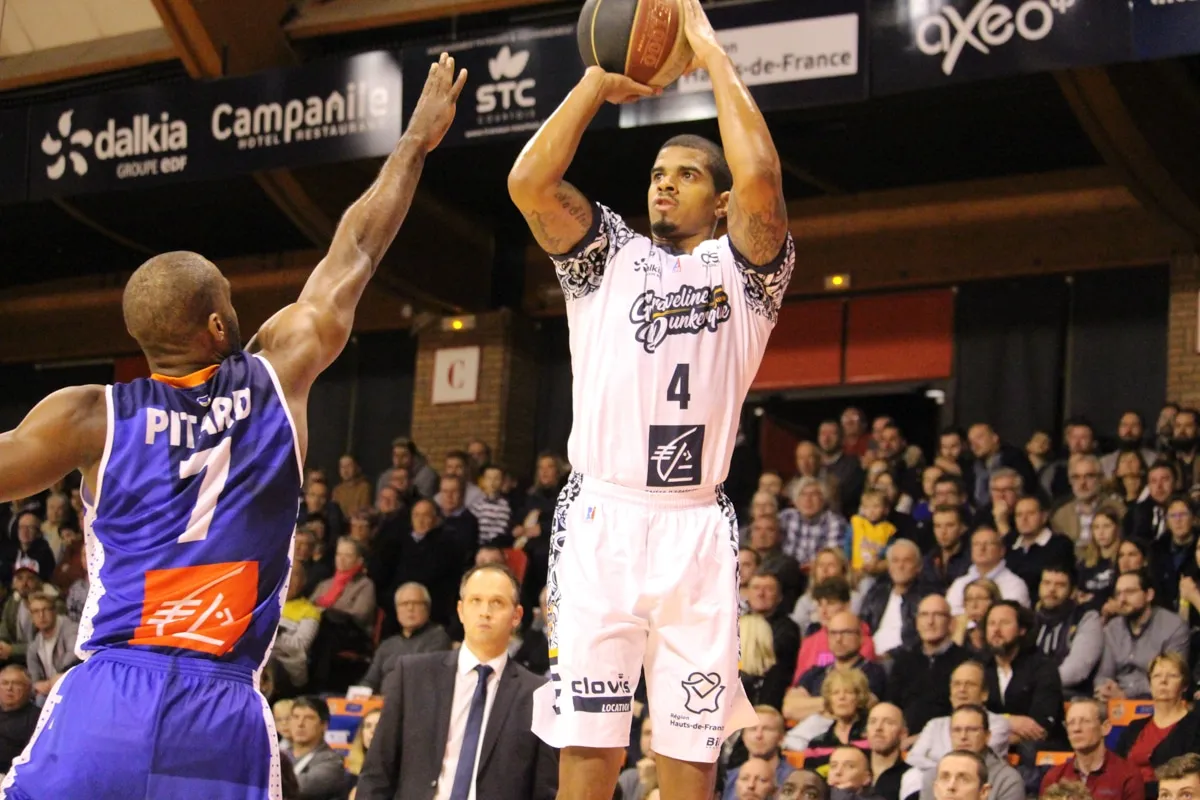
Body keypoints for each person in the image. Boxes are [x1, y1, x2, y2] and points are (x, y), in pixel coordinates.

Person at [0, 55, 466, 798]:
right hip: (218, 709)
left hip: (108, 701)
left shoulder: (90, 416)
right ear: (219, 325)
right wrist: (413, 142)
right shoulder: (277, 375)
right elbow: (357, 249)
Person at [507, 0, 794, 796]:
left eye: (689, 175)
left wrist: (705, 48)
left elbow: (763, 177)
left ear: (721, 203)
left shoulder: (748, 276)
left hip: (694, 528)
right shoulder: (607, 257)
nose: (666, 184)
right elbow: (529, 181)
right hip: (604, 517)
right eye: (659, 174)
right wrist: (597, 84)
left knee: (690, 760)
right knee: (589, 756)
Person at [356, 564, 558, 799]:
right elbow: (377, 773)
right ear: (461, 611)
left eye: (497, 602)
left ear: (517, 616)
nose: (485, 611)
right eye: (476, 601)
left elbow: (544, 790)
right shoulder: (412, 675)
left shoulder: (538, 693)